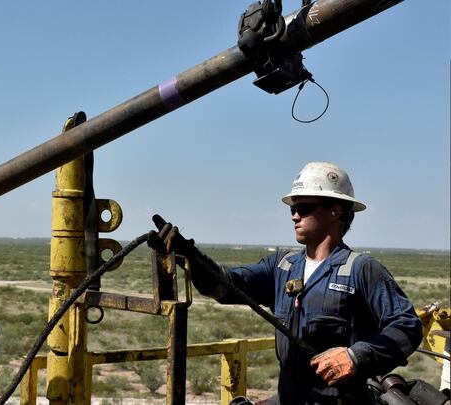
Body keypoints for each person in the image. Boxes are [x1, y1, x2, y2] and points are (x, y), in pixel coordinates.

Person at [152, 161, 423, 405]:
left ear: (335, 211)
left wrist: (355, 357)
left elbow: (407, 326)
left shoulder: (361, 270)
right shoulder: (282, 267)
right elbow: (227, 286)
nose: (294, 215)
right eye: (293, 208)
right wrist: (191, 257)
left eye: (303, 208)